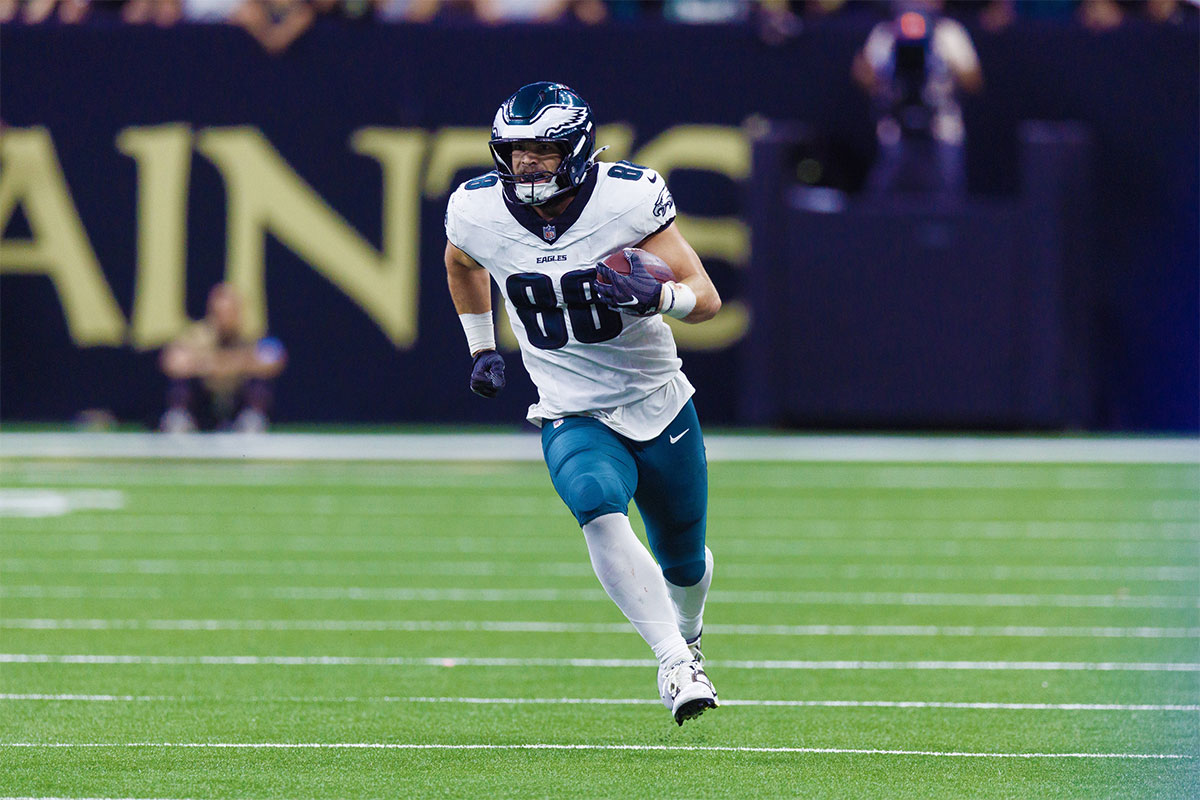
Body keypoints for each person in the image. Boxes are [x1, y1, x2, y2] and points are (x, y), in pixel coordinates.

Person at [444, 82, 722, 725]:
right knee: (596, 505)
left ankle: (690, 634)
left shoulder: (627, 197)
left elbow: (704, 297)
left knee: (685, 563)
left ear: (573, 147)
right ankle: (675, 663)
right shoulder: (476, 209)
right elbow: (462, 264)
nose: (525, 165)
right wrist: (481, 345)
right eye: (514, 152)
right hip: (570, 406)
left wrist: (658, 300)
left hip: (656, 398)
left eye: (541, 150)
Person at [852, 1, 982, 201]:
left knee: (945, 207)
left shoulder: (949, 33)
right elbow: (867, 81)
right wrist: (865, 72)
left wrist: (951, 65)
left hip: (942, 133)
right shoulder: (885, 32)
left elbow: (974, 82)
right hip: (895, 133)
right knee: (884, 207)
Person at [159, 283, 287, 433]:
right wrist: (213, 364)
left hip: (237, 400)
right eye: (218, 313)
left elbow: (274, 360)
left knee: (259, 385)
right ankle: (179, 420)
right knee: (180, 386)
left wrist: (229, 363)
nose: (224, 319)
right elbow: (172, 362)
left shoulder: (251, 335)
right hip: (205, 400)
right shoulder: (199, 334)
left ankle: (252, 421)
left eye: (229, 313)